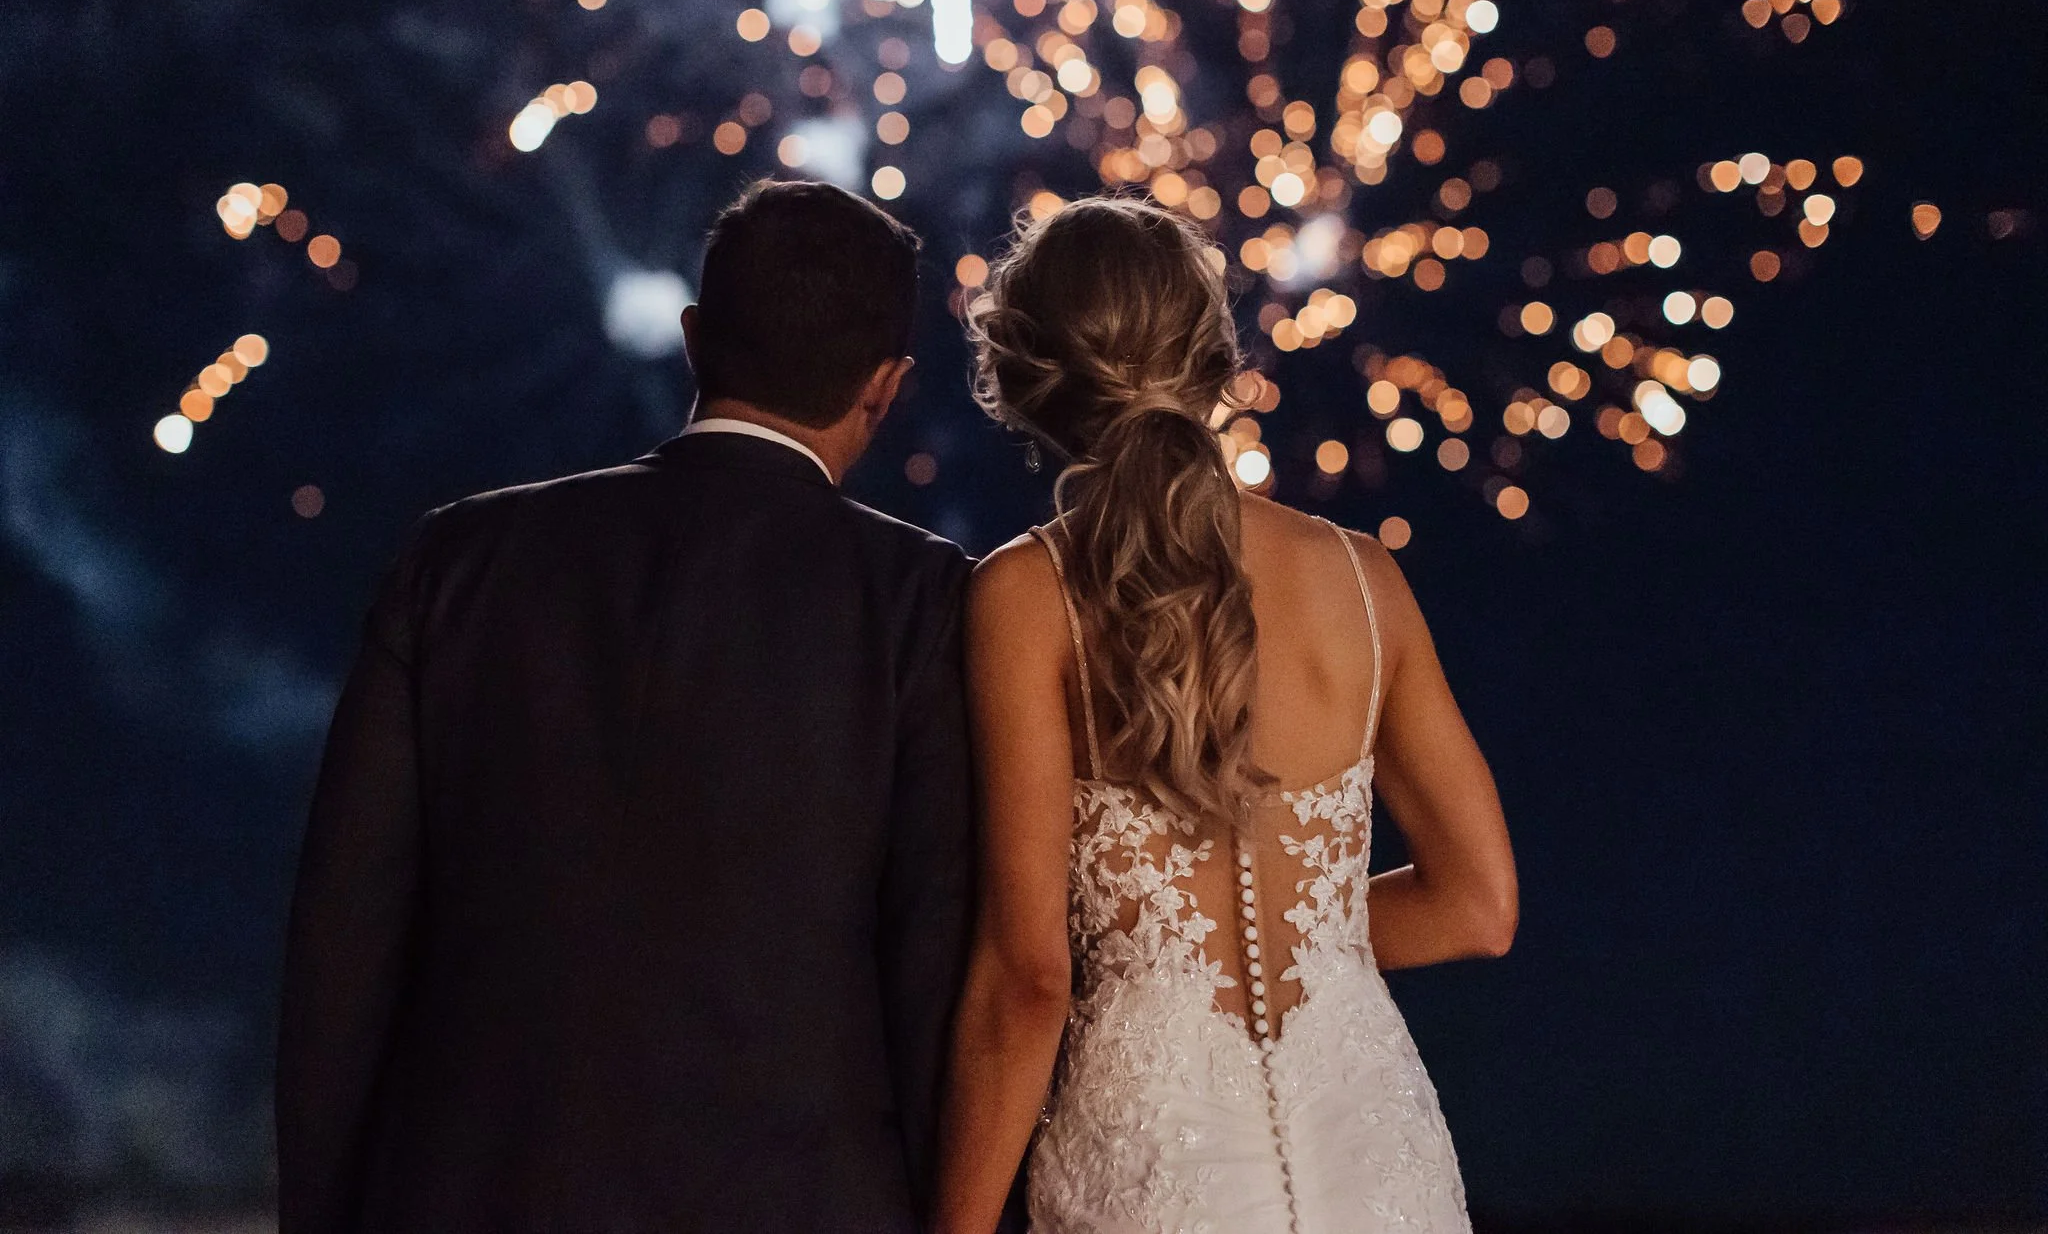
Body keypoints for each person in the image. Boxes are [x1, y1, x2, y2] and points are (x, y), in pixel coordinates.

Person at [277, 179, 975, 1234]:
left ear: (692, 340)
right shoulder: (918, 599)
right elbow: (933, 980)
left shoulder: (458, 559)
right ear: (886, 386)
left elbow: (342, 943)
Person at [935, 197, 1518, 1234]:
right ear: (1213, 358)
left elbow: (1027, 977)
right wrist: (1309, 944)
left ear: (1030, 380)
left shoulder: (1026, 598)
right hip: (1378, 1164)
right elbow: (1478, 907)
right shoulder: (1362, 581)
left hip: (1157, 1172)